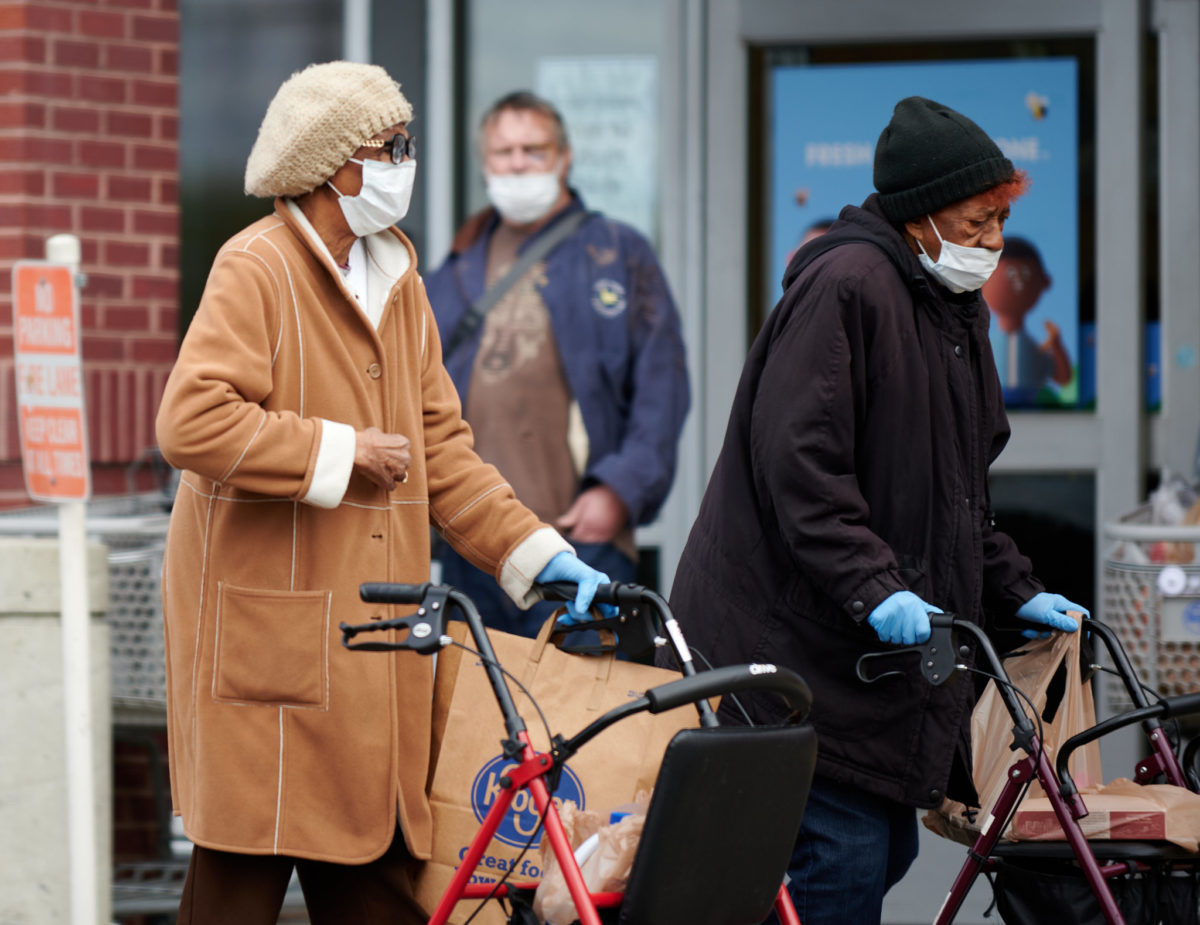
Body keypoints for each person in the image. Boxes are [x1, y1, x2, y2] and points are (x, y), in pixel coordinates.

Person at [155, 61, 612, 925]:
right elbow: (192, 420)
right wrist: (339, 450)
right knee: (240, 879)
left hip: (367, 648)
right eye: (389, 146)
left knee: (370, 863)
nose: (407, 160)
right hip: (268, 654)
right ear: (333, 165)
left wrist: (539, 553)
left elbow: (443, 448)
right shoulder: (256, 265)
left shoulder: (397, 276)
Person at [663, 96, 1089, 925]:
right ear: (919, 216)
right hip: (792, 645)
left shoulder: (948, 303)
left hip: (859, 657)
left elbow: (959, 488)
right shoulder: (845, 286)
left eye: (1001, 219)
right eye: (976, 222)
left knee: (882, 842)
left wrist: (1014, 585)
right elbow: (800, 467)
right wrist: (875, 587)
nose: (994, 242)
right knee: (845, 851)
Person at [425, 91, 690, 638]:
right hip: (475, 547)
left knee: (582, 715)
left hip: (577, 548)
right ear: (485, 164)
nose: (518, 162)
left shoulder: (618, 252)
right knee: (475, 716)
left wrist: (620, 491)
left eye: (533, 149)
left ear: (564, 157)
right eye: (504, 152)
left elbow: (661, 391)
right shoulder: (457, 262)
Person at [981, 234, 1072, 405]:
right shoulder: (985, 348)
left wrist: (1057, 346)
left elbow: (1062, 376)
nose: (1018, 283)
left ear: (1044, 282)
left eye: (1024, 274)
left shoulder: (1033, 350)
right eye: (1010, 274)